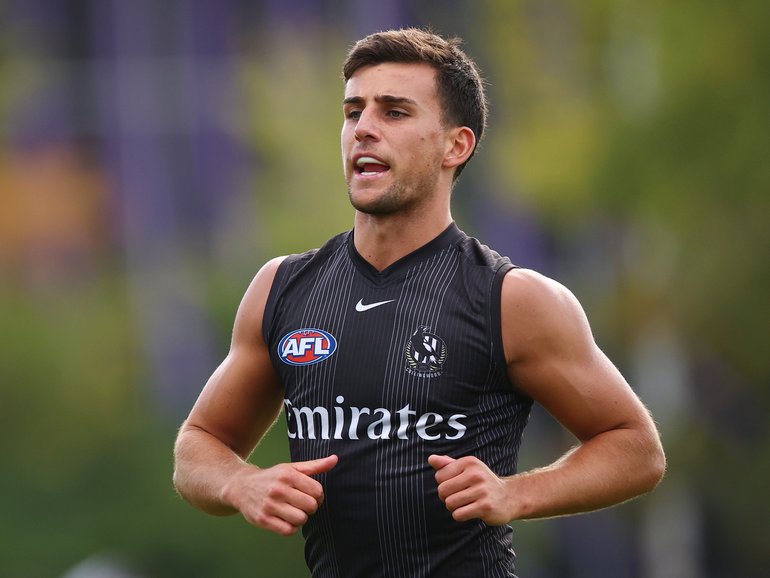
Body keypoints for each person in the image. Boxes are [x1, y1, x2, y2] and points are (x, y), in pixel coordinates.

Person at [173, 28, 666, 577]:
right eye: (353, 111)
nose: (363, 129)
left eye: (395, 112)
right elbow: (198, 446)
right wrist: (240, 482)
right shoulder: (283, 288)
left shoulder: (510, 299)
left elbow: (636, 449)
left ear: (456, 145)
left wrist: (516, 494)